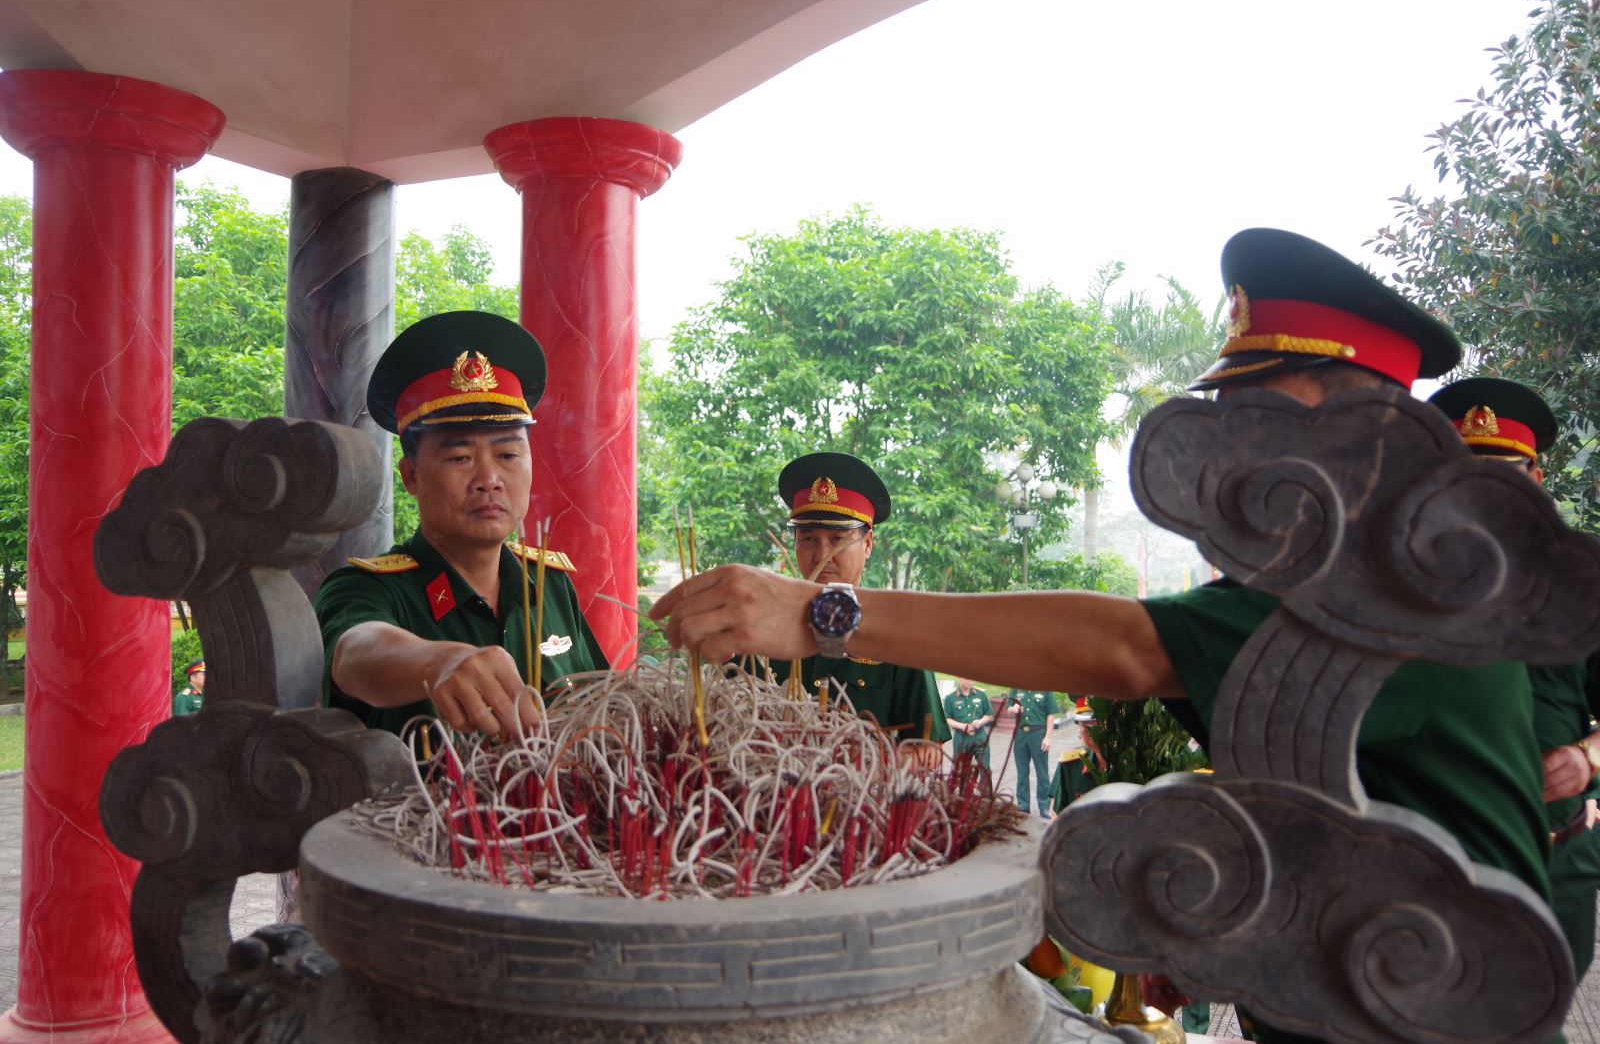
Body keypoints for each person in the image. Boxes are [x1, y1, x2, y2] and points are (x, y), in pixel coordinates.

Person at [651, 229, 1552, 1043]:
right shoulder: (1325, 574)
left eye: (1265, 421)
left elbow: (1130, 648)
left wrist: (824, 613)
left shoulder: (1406, 589)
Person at [314, 311, 608, 742]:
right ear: (411, 476)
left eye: (508, 455)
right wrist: (437, 662)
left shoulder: (550, 585)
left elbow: (603, 707)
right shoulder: (368, 590)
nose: (489, 479)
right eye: (460, 458)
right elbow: (355, 653)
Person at [1429, 375, 1600, 977]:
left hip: (1557, 863)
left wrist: (1588, 757)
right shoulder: (1400, 579)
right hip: (1431, 869)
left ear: (1535, 479)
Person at [760, 452, 950, 764]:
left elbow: (928, 752)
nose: (822, 554)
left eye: (837, 539)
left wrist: (847, 771)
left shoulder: (899, 635)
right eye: (808, 538)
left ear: (868, 543)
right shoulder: (763, 629)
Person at [1008, 688, 1058, 819]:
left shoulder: (1045, 689)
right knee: (1022, 772)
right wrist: (1013, 709)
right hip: (1021, 734)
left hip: (1038, 733)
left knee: (1042, 772)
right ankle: (1023, 806)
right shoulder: (1016, 688)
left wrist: (1048, 737)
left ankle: (1044, 806)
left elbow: (1051, 714)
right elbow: (1009, 708)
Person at [943, 676, 994, 769]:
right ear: (959, 677)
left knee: (985, 769)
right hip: (961, 738)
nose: (969, 680)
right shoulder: (950, 697)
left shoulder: (981, 694)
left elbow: (989, 714)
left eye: (971, 677)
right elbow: (947, 718)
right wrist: (961, 726)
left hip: (980, 737)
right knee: (961, 770)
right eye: (966, 677)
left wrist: (980, 722)